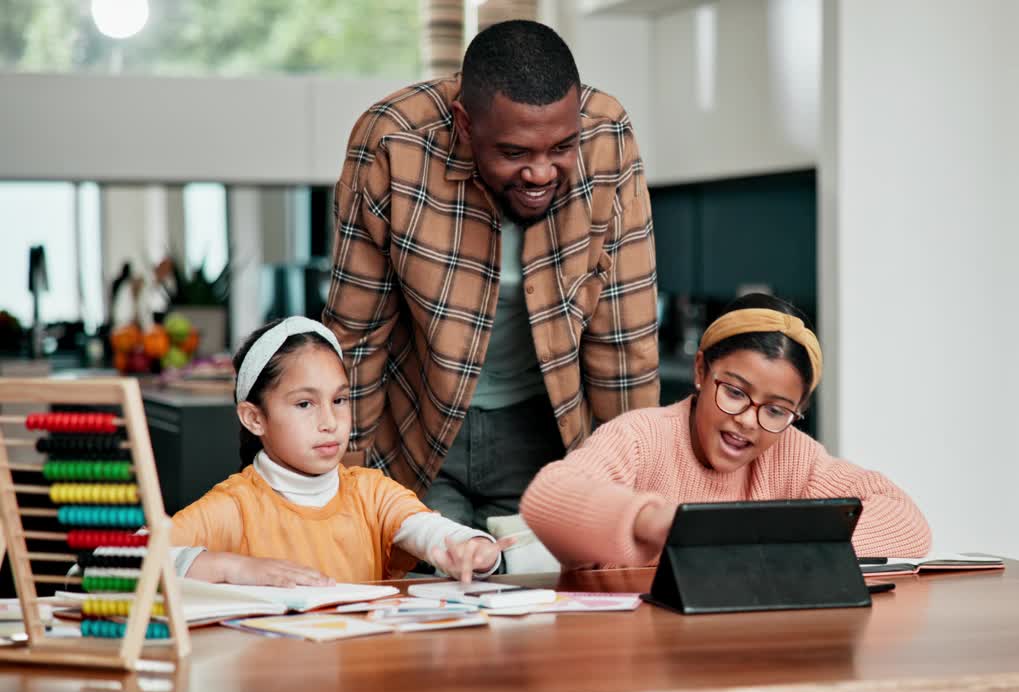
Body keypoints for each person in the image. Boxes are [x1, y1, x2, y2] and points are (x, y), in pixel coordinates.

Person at [322, 19, 660, 532]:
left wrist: (635, 500)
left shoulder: (608, 137)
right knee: (430, 595)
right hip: (416, 430)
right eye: (515, 153)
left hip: (545, 431)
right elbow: (358, 337)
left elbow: (624, 343)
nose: (542, 173)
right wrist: (341, 495)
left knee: (544, 601)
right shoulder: (392, 140)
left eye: (561, 148)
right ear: (464, 123)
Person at [521, 294, 933, 568]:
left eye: (776, 409)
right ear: (701, 370)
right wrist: (652, 521)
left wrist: (760, 543)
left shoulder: (793, 454)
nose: (748, 421)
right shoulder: (642, 437)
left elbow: (905, 522)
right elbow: (548, 496)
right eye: (735, 392)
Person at [169, 317, 511, 587]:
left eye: (339, 400)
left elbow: (426, 529)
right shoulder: (234, 506)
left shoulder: (371, 492)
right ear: (254, 418)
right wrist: (234, 567)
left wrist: (473, 547)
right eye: (305, 404)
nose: (329, 421)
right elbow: (128, 561)